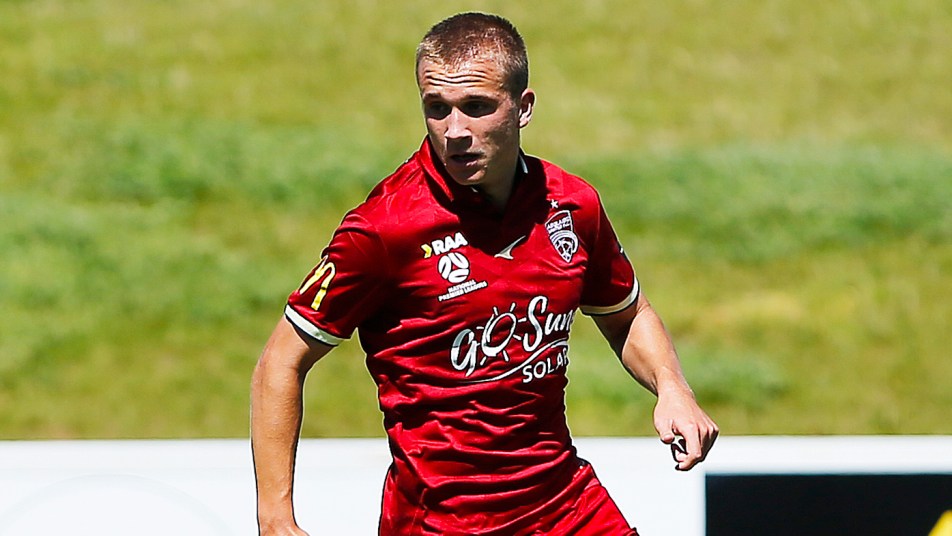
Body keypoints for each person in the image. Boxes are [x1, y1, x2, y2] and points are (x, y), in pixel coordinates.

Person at [251, 12, 718, 536]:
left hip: (565, 505)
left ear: (524, 108)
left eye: (476, 108)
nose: (455, 132)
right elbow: (280, 363)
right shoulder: (384, 229)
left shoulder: (571, 204)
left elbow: (626, 314)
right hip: (441, 522)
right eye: (437, 109)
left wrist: (673, 387)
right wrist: (275, 521)